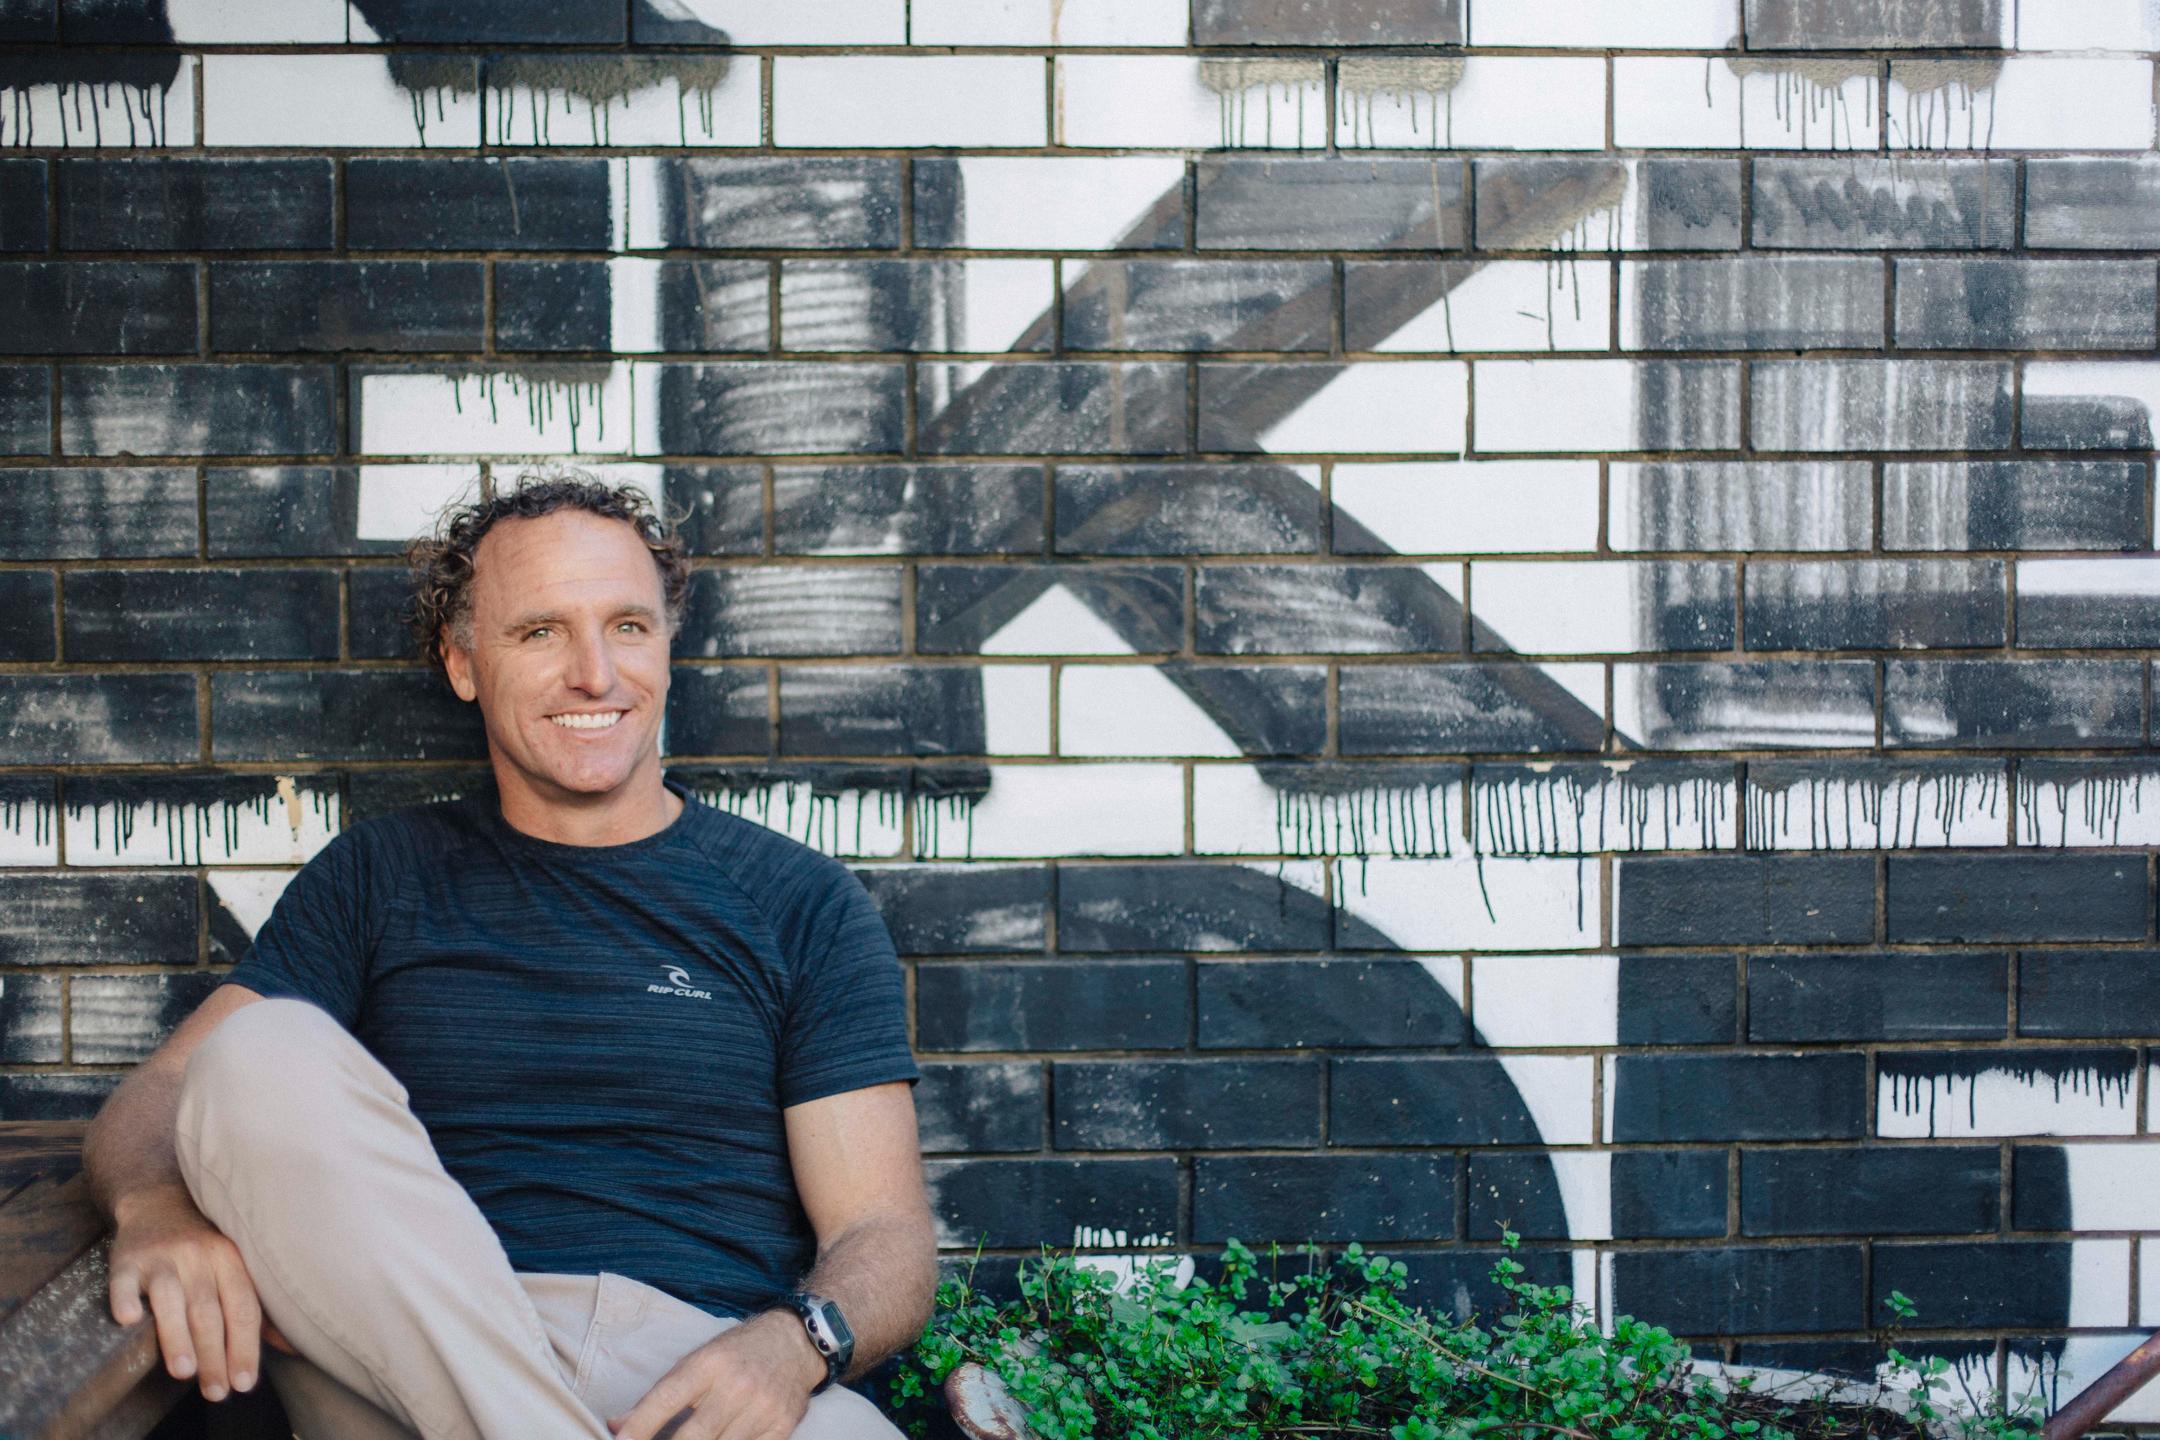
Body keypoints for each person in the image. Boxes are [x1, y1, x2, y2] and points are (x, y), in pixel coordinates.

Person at [79, 473, 935, 1440]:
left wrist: (791, 1345)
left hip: (697, 1374)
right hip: (410, 1351)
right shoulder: (379, 876)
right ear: (463, 662)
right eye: (541, 632)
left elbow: (885, 1233)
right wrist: (155, 1208)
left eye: (627, 627)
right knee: (256, 1053)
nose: (595, 675)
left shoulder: (799, 902)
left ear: (666, 644)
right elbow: (167, 1093)